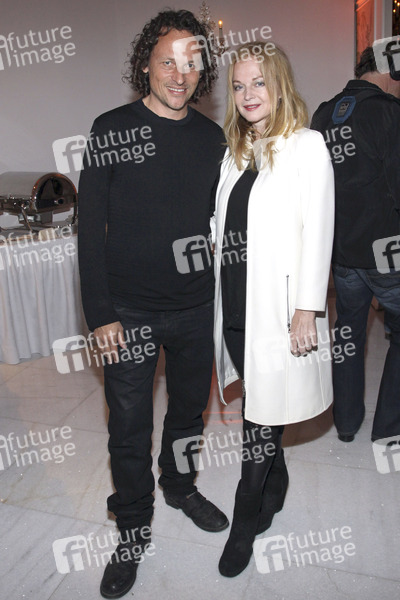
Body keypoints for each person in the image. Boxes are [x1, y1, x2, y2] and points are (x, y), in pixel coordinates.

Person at [78, 9, 228, 598]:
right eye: (168, 61)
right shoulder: (110, 128)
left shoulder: (212, 138)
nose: (179, 75)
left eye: (191, 64)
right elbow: (90, 231)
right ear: (146, 63)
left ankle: (181, 486)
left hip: (195, 306)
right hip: (129, 311)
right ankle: (133, 526)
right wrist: (101, 314)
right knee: (129, 427)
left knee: (188, 415)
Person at [213, 41, 335, 577]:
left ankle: (245, 516)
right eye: (238, 86)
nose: (248, 95)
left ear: (280, 85)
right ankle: (276, 479)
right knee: (259, 400)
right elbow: (224, 222)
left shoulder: (306, 145)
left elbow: (319, 230)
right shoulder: (235, 151)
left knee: (260, 416)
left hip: (278, 309)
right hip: (236, 302)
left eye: (258, 82)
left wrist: (307, 307)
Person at [311, 46, 400, 443]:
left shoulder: (323, 113)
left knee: (347, 331)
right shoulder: (390, 113)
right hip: (387, 255)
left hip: (342, 253)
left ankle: (346, 423)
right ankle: (389, 430)